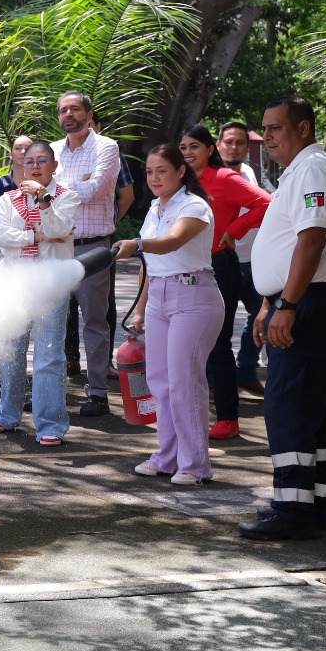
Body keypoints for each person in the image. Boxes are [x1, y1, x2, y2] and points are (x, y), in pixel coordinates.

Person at [236, 96, 326, 540]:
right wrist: (272, 302)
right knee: (307, 407)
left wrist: (286, 304)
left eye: (276, 128)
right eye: (264, 129)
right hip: (301, 298)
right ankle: (311, 504)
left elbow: (311, 242)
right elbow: (289, 245)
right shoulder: (300, 171)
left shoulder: (312, 169)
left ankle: (292, 511)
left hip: (309, 302)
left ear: (303, 128)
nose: (267, 137)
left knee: (287, 405)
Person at [112, 144, 224, 484]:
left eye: (162, 170)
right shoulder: (154, 209)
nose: (154, 178)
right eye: (149, 172)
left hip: (194, 297)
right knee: (159, 380)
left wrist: (137, 244)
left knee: (184, 382)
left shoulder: (194, 206)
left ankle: (195, 465)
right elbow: (151, 265)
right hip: (159, 298)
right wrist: (141, 310)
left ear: (181, 171)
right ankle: (169, 456)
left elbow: (173, 242)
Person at [179, 125, 271, 440]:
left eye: (194, 146)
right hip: (185, 268)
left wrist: (234, 229)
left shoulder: (224, 178)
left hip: (220, 267)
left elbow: (266, 203)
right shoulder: (180, 179)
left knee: (218, 344)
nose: (188, 153)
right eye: (183, 147)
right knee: (188, 342)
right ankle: (189, 414)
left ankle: (228, 419)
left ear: (210, 149)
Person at [0, 141, 80, 443]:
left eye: (42, 161)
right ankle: (7, 414)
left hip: (51, 284)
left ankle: (50, 425)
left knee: (49, 355)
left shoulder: (67, 197)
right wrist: (34, 236)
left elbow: (58, 230)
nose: (35, 167)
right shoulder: (8, 198)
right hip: (16, 283)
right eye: (29, 161)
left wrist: (43, 200)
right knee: (10, 352)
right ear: (22, 165)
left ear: (54, 166)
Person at [51, 91, 120, 417]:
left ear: (89, 115)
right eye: (63, 110)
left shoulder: (106, 147)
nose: (68, 114)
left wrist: (54, 189)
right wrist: (74, 183)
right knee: (52, 322)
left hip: (92, 247)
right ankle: (50, 393)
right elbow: (38, 189)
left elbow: (94, 190)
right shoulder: (52, 150)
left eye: (75, 109)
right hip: (56, 247)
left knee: (94, 321)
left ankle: (98, 393)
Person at [217, 121, 267, 395]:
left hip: (253, 262)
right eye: (228, 142)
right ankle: (213, 381)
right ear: (217, 145)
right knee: (218, 326)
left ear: (248, 147)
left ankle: (246, 370)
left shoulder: (248, 172)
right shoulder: (210, 176)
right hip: (222, 263)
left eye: (239, 143)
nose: (233, 147)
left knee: (265, 315)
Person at [0, 134, 33, 226]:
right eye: (18, 148)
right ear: (10, 154)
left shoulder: (41, 183)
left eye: (28, 148)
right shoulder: (0, 184)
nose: (23, 152)